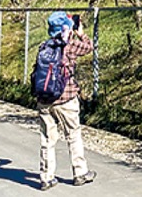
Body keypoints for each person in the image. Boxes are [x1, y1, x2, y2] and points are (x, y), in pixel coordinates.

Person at [34, 11, 96, 190]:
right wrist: (81, 33)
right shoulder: (69, 47)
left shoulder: (43, 46)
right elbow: (89, 47)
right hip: (66, 99)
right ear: (66, 28)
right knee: (73, 134)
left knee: (47, 139)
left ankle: (46, 177)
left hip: (44, 99)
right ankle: (80, 173)